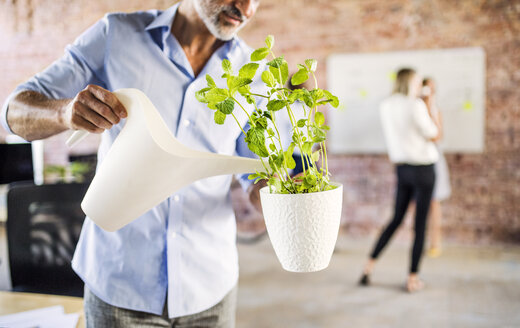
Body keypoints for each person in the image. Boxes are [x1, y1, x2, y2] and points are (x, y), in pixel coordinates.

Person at [1, 0, 263, 326]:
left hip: (210, 289)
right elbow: (14, 112)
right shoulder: (116, 35)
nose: (247, 8)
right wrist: (65, 112)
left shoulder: (255, 73)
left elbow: (257, 175)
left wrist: (280, 196)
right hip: (120, 288)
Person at [359, 68, 439, 293]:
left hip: (403, 169)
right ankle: (413, 278)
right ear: (410, 83)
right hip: (423, 169)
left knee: (396, 219)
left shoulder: (386, 105)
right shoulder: (416, 105)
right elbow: (434, 133)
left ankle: (368, 267)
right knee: (420, 225)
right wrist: (429, 103)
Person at [421, 78, 451, 257]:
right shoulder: (415, 109)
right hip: (419, 160)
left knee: (434, 202)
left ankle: (435, 242)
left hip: (434, 159)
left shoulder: (435, 110)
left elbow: (437, 136)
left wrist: (429, 108)